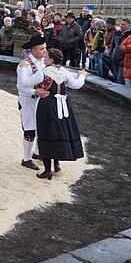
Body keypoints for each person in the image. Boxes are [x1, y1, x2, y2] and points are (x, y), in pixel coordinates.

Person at [21, 48, 87, 179]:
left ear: (51, 59)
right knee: (59, 132)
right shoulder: (64, 72)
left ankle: (47, 170)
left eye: (46, 56)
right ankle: (57, 165)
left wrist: (23, 68)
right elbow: (77, 85)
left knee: (45, 133)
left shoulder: (43, 73)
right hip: (63, 107)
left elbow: (25, 83)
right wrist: (83, 75)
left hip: (46, 105)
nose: (44, 58)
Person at [16, 34, 49, 171]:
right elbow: (21, 86)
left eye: (45, 48)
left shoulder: (43, 63)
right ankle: (26, 158)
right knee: (29, 129)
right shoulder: (24, 65)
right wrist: (34, 92)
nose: (45, 51)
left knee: (41, 127)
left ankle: (37, 152)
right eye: (41, 49)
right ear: (33, 49)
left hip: (40, 100)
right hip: (27, 101)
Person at [110, 18, 130, 84]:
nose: (121, 25)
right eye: (121, 24)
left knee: (120, 77)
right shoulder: (116, 33)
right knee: (115, 75)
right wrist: (111, 54)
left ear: (128, 25)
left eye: (123, 24)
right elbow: (112, 44)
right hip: (114, 56)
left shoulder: (129, 34)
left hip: (123, 58)